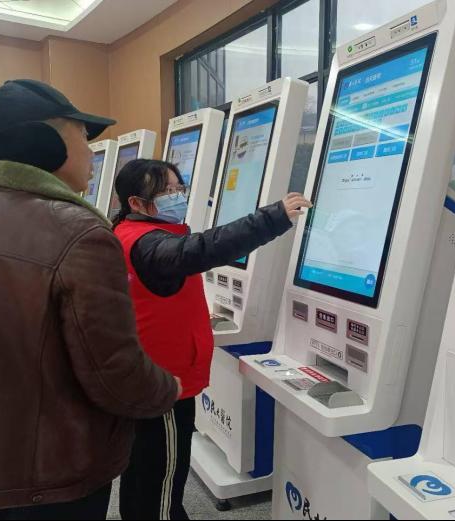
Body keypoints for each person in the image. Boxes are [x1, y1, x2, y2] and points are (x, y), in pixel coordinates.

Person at [0, 80, 181, 521]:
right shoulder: (80, 235)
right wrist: (167, 389)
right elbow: (113, 371)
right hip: (53, 475)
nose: (91, 152)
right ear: (44, 142)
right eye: (82, 136)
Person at [112, 159, 312, 520]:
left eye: (179, 188)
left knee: (142, 473)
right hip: (164, 385)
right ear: (136, 203)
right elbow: (202, 249)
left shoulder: (128, 233)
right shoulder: (148, 243)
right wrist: (273, 217)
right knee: (161, 481)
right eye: (167, 191)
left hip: (150, 375)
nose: (177, 196)